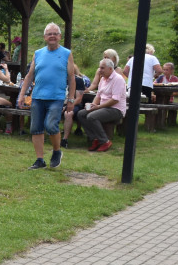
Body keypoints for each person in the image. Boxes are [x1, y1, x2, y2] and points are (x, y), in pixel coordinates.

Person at [17, 22, 75, 170]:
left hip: (56, 97)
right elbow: (30, 76)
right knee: (36, 128)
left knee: (51, 125)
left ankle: (57, 151)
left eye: (55, 33)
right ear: (44, 37)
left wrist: (71, 99)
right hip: (38, 96)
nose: (52, 36)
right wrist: (22, 95)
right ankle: (40, 160)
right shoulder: (38, 53)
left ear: (60, 36)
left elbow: (72, 78)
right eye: (49, 34)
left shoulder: (66, 53)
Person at [77, 58, 126, 153]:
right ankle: (94, 139)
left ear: (110, 69)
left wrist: (98, 107)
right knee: (81, 114)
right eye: (99, 68)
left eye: (102, 68)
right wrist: (93, 105)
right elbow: (98, 95)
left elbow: (115, 100)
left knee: (92, 116)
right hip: (104, 108)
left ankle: (105, 141)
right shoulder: (103, 79)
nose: (100, 70)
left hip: (116, 109)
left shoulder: (118, 79)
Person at [61, 64, 88, 145]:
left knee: (68, 113)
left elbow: (79, 99)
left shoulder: (78, 80)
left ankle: (64, 139)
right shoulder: (59, 79)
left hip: (74, 104)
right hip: (59, 103)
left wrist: (66, 106)